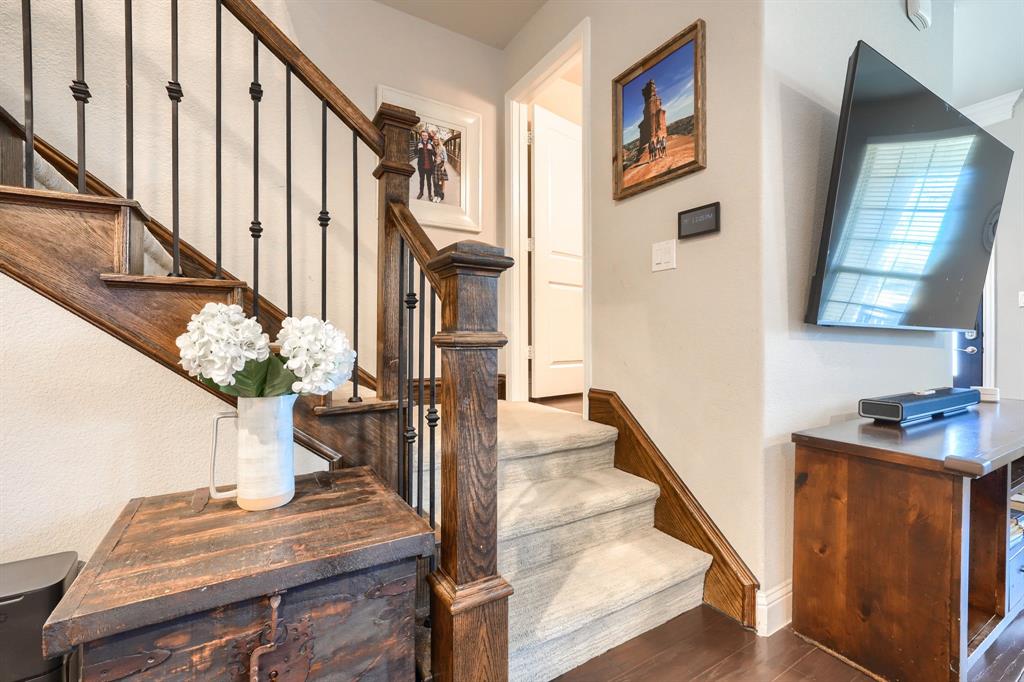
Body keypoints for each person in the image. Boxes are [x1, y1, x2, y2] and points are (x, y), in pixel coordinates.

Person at [415, 129, 435, 201]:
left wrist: (431, 149)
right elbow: (415, 153)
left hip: (429, 166)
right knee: (421, 180)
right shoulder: (418, 143)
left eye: (426, 135)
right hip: (421, 166)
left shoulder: (431, 144)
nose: (424, 137)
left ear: (428, 136)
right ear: (421, 136)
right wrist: (418, 148)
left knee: (429, 181)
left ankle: (430, 194)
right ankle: (421, 193)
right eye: (423, 135)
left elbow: (435, 154)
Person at [433, 135, 449, 203]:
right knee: (435, 181)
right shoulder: (433, 147)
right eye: (434, 140)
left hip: (441, 165)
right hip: (434, 165)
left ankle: (439, 196)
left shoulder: (442, 148)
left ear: (438, 140)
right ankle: (436, 195)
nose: (436, 141)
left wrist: (443, 166)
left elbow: (446, 158)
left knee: (440, 182)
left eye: (437, 139)